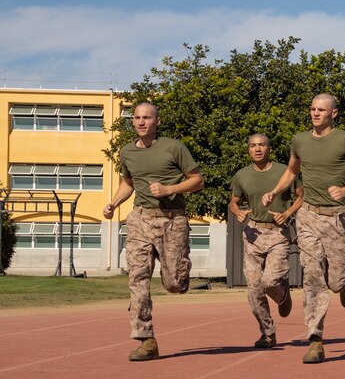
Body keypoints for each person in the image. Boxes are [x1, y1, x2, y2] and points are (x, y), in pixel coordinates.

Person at [263, 94, 345, 364]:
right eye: (312, 109)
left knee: (335, 281)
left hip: (337, 219)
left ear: (334, 113)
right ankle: (315, 340)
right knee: (312, 277)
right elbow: (292, 171)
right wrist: (275, 191)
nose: (315, 113)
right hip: (308, 215)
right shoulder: (299, 140)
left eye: (321, 110)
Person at [103, 102, 204, 361]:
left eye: (146, 118)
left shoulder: (174, 147)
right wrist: (114, 203)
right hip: (140, 219)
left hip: (172, 220)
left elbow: (197, 180)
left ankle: (179, 273)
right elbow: (128, 183)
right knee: (137, 278)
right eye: (137, 117)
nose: (140, 122)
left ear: (157, 121)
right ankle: (145, 339)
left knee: (174, 283)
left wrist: (170, 189)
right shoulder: (127, 152)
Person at [228, 133, 302, 349]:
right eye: (253, 146)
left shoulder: (284, 171)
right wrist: (237, 212)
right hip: (253, 233)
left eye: (261, 145)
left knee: (269, 282)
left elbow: (302, 196)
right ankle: (268, 332)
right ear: (248, 150)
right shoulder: (242, 175)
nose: (257, 149)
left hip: (278, 233)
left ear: (270, 149)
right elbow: (233, 202)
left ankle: (282, 294)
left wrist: (287, 213)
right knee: (254, 289)